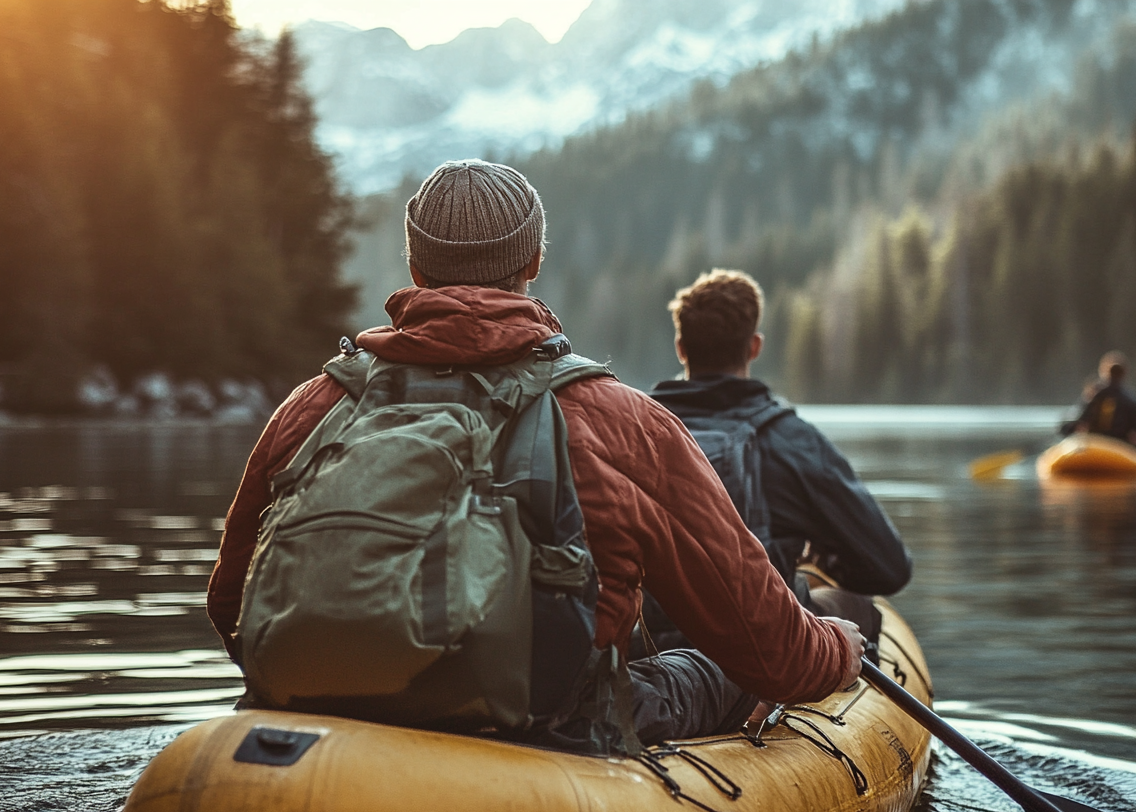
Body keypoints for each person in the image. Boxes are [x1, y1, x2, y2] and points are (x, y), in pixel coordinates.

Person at [206, 160, 863, 750]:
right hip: (546, 725)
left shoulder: (314, 406)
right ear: (532, 262)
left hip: (315, 719)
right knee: (719, 660)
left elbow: (230, 602)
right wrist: (836, 647)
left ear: (415, 269)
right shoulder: (622, 422)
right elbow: (771, 652)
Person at [644, 270, 911, 653]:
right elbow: (889, 568)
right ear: (754, 347)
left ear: (681, 348)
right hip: (764, 645)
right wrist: (826, 562)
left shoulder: (634, 428)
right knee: (860, 609)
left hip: (653, 646)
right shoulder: (792, 440)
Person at [1067, 351, 1136, 449]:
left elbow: (1071, 425)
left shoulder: (1093, 395)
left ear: (1103, 371)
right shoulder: (1131, 399)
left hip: (1101, 446)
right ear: (1124, 373)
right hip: (1117, 446)